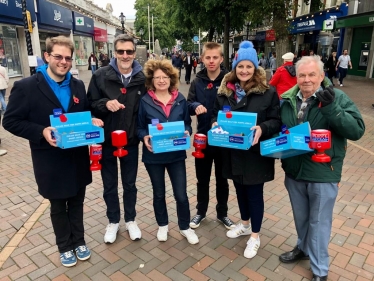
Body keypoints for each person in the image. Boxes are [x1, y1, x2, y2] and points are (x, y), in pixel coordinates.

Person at [2, 36, 104, 267]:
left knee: (77, 202)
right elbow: (10, 121)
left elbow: (84, 113)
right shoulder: (26, 87)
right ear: (47, 56)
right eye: (58, 56)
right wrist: (41, 131)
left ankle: (79, 241)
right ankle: (65, 246)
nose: (63, 62)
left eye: (68, 58)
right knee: (58, 206)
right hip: (49, 160)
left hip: (77, 157)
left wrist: (93, 120)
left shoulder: (77, 85)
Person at [278, 55, 365, 281]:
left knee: (319, 222)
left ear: (322, 75)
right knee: (301, 217)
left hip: (323, 173)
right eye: (302, 75)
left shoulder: (336, 97)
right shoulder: (288, 99)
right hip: (294, 171)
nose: (306, 80)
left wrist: (331, 107)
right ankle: (303, 248)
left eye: (311, 75)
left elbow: (357, 130)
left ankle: (320, 270)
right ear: (296, 77)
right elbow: (280, 129)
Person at [212, 41, 281, 259]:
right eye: (240, 66)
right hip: (232, 152)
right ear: (234, 68)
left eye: (248, 67)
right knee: (239, 190)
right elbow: (217, 114)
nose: (244, 71)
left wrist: (262, 127)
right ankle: (244, 224)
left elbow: (276, 121)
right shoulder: (224, 92)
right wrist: (215, 123)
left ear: (255, 68)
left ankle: (255, 236)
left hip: (254, 154)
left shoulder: (268, 93)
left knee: (254, 194)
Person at [87, 34, 146, 244]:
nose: (125, 55)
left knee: (129, 184)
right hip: (106, 141)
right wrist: (105, 104)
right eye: (121, 51)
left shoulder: (143, 78)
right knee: (109, 184)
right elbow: (90, 104)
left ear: (134, 52)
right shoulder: (101, 75)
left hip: (130, 141)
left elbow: (148, 109)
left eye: (129, 51)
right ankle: (113, 221)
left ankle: (130, 220)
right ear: (114, 52)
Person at [137, 59, 199, 244]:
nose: (161, 80)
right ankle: (163, 225)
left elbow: (187, 122)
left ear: (171, 79)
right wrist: (144, 136)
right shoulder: (145, 101)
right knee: (159, 193)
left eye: (165, 77)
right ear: (151, 80)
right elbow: (139, 127)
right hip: (153, 156)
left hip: (176, 155)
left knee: (181, 194)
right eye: (157, 77)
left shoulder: (179, 99)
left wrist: (188, 131)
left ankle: (185, 226)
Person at [187, 42, 235, 230]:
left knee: (222, 178)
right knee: (203, 178)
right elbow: (189, 103)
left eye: (215, 57)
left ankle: (222, 213)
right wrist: (194, 106)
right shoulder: (197, 81)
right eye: (208, 57)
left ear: (222, 59)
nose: (212, 61)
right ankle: (201, 211)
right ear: (203, 59)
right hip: (203, 139)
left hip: (223, 140)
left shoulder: (230, 80)